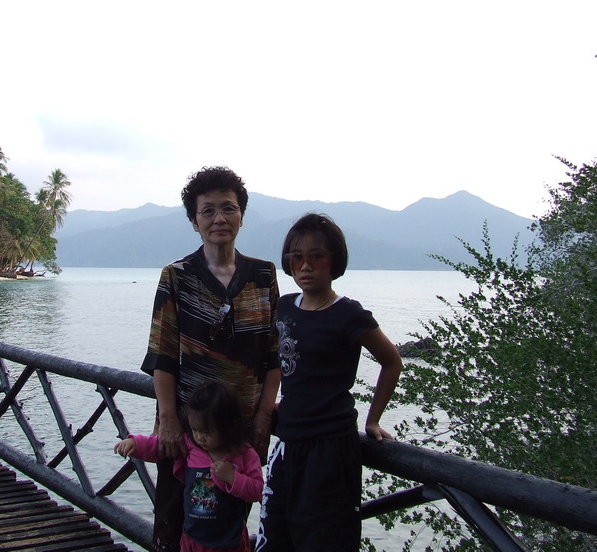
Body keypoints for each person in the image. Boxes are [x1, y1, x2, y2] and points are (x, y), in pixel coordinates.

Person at [141, 166, 280, 552]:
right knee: (176, 525)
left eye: (228, 208)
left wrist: (263, 417)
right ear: (194, 221)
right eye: (208, 211)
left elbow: (273, 355)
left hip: (241, 434)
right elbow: (162, 355)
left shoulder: (263, 275)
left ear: (242, 216)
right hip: (189, 433)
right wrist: (169, 421)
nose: (219, 218)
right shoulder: (177, 276)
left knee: (231, 528)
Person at [256, 213, 403, 552]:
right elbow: (280, 364)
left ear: (334, 260)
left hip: (330, 449)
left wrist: (373, 419)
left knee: (324, 540)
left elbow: (392, 362)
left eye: (316, 256)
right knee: (274, 537)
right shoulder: (285, 307)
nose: (305, 266)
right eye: (297, 257)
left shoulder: (348, 314)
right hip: (287, 443)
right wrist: (272, 406)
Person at [115, 381, 264, 552]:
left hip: (230, 541)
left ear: (228, 426)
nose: (199, 437)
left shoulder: (244, 454)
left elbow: (257, 491)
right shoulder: (191, 445)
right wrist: (134, 443)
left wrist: (233, 478)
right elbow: (157, 445)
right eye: (195, 430)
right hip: (193, 538)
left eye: (206, 432)